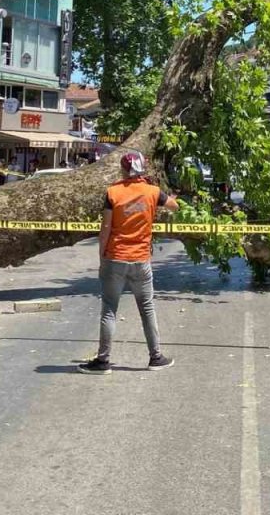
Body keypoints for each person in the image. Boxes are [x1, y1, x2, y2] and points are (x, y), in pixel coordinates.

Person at [79, 151, 180, 375]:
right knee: (147, 308)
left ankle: (103, 361)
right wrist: (167, 197)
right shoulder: (153, 192)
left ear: (123, 169)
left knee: (109, 309)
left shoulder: (113, 192)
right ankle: (156, 357)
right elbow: (174, 206)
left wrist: (102, 256)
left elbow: (106, 228)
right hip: (141, 259)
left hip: (115, 257)